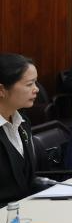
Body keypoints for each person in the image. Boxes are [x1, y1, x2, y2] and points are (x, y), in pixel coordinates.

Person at [0, 54, 48, 206]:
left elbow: (26, 180)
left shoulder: (22, 120)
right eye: (29, 84)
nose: (36, 90)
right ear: (2, 90)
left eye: (36, 82)